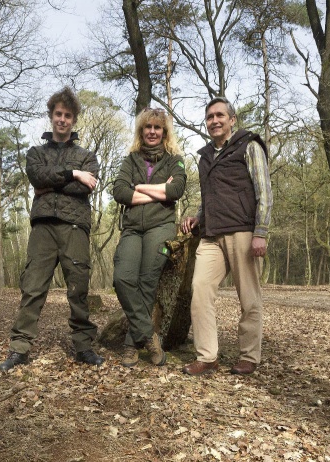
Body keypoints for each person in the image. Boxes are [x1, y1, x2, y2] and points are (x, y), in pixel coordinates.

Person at [0, 87, 103, 372]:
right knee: (32, 288)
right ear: (51, 116)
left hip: (75, 227)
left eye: (68, 115)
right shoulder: (36, 153)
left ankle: (83, 347)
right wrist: (71, 174)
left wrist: (51, 185)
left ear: (74, 119)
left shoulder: (87, 156)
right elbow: (36, 174)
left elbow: (85, 187)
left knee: (78, 288)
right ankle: (19, 349)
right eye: (58, 114)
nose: (63, 119)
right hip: (43, 227)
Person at [180, 96, 271, 376]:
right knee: (200, 288)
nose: (215, 121)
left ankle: (249, 356)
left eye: (220, 115)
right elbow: (209, 196)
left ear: (232, 120)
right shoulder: (205, 156)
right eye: (210, 117)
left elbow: (264, 190)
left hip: (243, 230)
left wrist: (261, 232)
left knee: (249, 298)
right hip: (211, 234)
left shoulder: (249, 145)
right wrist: (198, 216)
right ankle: (207, 356)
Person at [112, 108, 188, 368]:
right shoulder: (130, 160)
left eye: (158, 128)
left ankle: (131, 346)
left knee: (147, 283)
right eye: (148, 127)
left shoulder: (174, 159)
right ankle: (149, 336)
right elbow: (119, 191)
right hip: (132, 227)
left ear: (164, 132)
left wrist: (139, 188)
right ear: (141, 131)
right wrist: (158, 190)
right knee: (122, 278)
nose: (153, 132)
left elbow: (176, 189)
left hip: (161, 226)